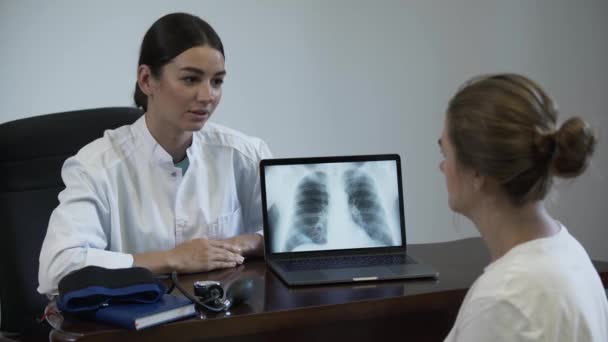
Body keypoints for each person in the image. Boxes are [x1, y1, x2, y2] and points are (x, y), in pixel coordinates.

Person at [37, 12, 272, 296]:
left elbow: (303, 239)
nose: (207, 95)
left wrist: (245, 243)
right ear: (147, 80)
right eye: (190, 79)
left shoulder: (244, 153)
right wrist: (171, 259)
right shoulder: (96, 166)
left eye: (217, 81)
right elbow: (57, 269)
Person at [439, 73, 608, 341]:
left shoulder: (503, 300)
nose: (442, 167)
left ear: (478, 173)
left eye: (445, 153)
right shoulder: (569, 251)